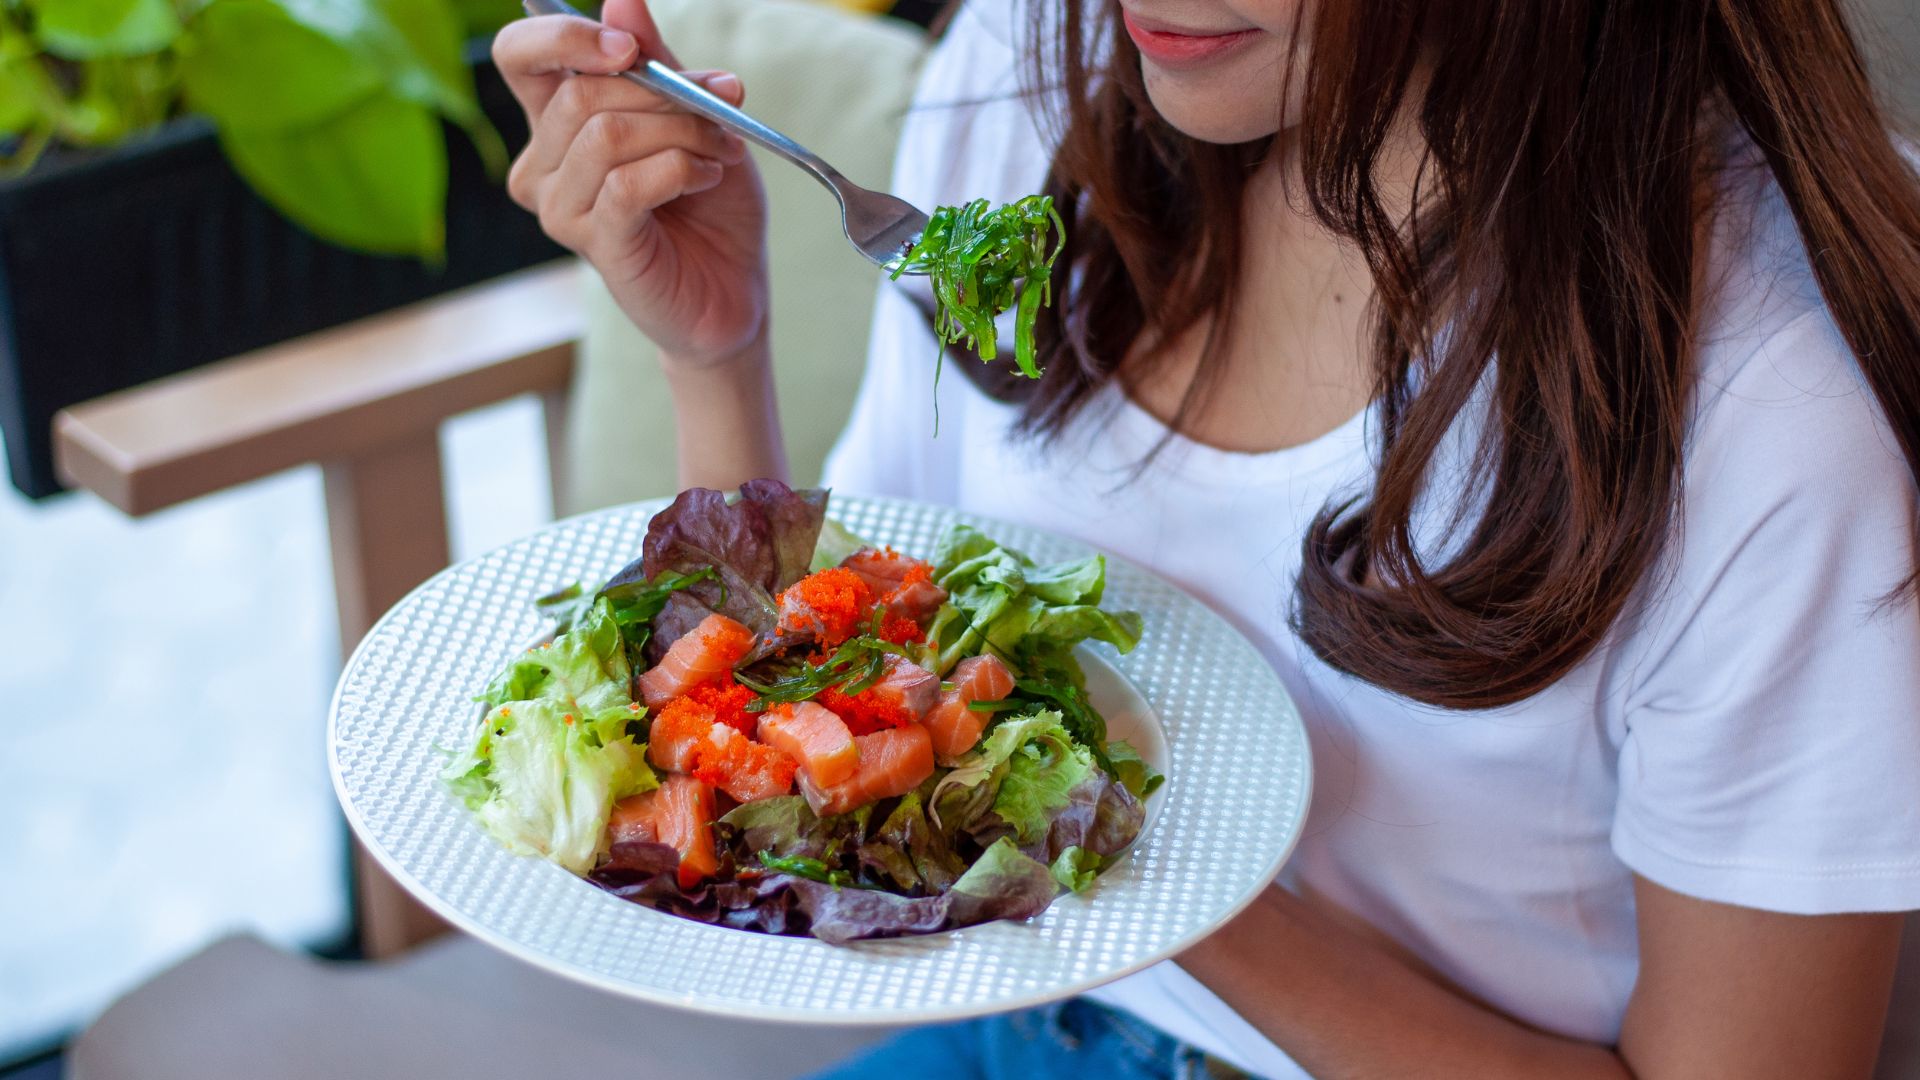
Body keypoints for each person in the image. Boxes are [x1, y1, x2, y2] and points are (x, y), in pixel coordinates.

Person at [491, 0, 1920, 1075]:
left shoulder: (1760, 422)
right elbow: (825, 668)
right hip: (1025, 1025)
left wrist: (1138, 858)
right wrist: (715, 358)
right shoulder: (1026, 65)